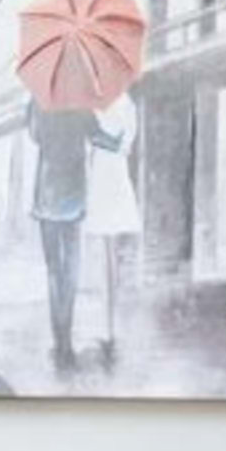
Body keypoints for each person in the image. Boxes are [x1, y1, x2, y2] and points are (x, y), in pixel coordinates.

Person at [25, 93, 130, 375]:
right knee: (70, 272)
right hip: (72, 198)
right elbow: (99, 137)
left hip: (46, 198)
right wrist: (119, 139)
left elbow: (34, 135)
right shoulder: (80, 102)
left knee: (52, 273)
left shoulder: (39, 98)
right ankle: (66, 346)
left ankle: (59, 341)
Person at [83, 86, 144, 371]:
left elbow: (94, 141)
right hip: (113, 178)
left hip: (106, 180)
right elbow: (125, 144)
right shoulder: (126, 103)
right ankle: (110, 328)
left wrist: (100, 140)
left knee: (107, 258)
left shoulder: (99, 103)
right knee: (110, 258)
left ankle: (109, 329)